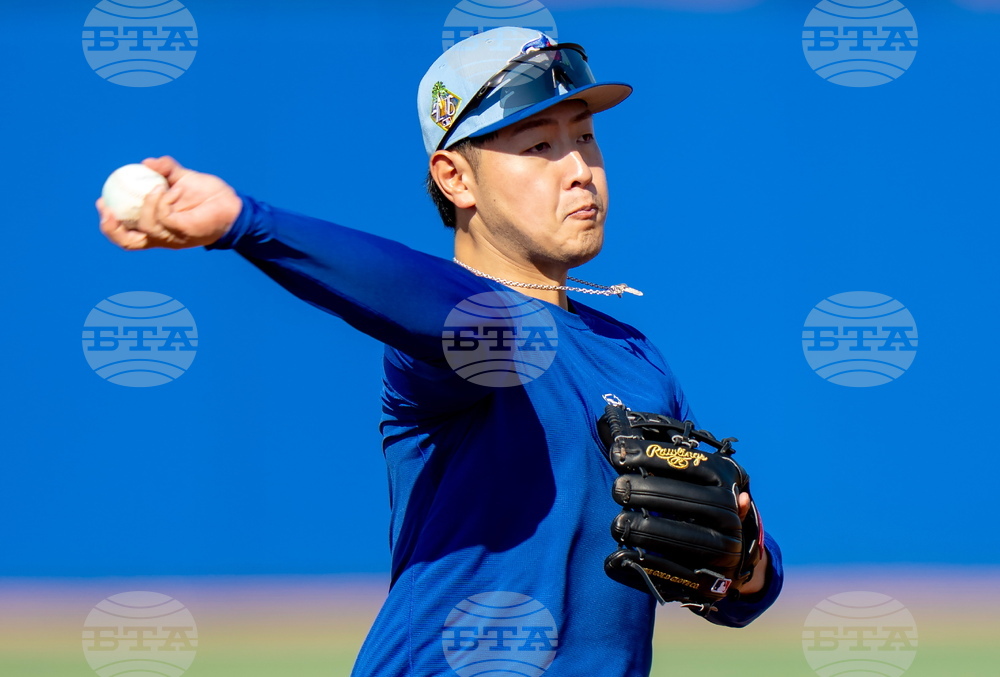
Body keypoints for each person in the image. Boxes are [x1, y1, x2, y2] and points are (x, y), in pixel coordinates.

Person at [97, 26, 783, 677]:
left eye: (585, 137)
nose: (579, 169)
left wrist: (745, 561)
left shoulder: (634, 356)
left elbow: (744, 585)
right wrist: (247, 223)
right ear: (456, 179)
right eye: (539, 145)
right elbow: (437, 304)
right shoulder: (467, 337)